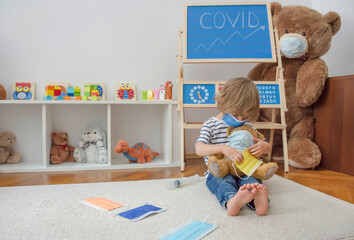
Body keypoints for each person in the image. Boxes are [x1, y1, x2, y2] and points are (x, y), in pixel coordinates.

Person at [195, 77, 271, 216]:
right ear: (224, 103)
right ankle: (232, 202)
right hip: (220, 170)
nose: (240, 120)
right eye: (236, 114)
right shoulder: (211, 125)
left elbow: (264, 143)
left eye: (245, 116)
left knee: (253, 181)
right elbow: (199, 148)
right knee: (222, 182)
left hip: (244, 168)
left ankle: (258, 201)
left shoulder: (247, 126)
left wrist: (264, 147)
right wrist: (223, 148)